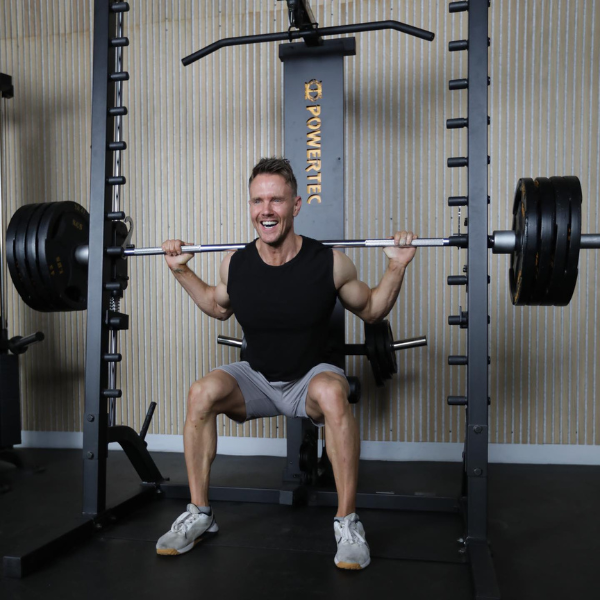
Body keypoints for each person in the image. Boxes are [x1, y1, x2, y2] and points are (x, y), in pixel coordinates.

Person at [156, 157, 417, 570]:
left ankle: (347, 524)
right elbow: (216, 305)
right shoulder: (234, 263)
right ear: (250, 206)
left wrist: (396, 265)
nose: (266, 210)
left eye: (276, 200)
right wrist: (180, 270)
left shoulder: (329, 262)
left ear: (295, 205)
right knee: (200, 393)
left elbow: (371, 309)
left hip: (309, 378)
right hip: (256, 378)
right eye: (258, 200)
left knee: (334, 392)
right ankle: (200, 514)